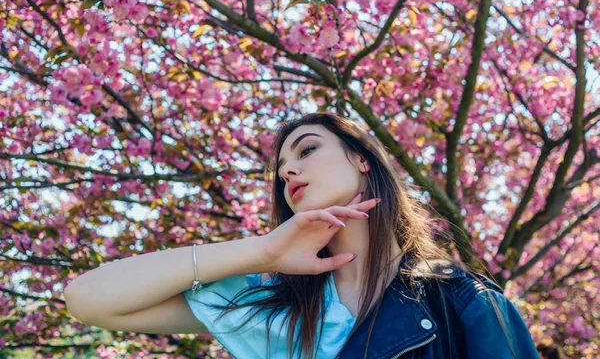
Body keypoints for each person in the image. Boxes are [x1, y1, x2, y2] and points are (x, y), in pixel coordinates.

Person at [64, 113, 539, 358]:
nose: (289, 168)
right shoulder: (274, 305)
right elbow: (89, 299)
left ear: (362, 159)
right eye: (282, 168)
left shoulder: (459, 300)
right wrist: (265, 251)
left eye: (307, 149)